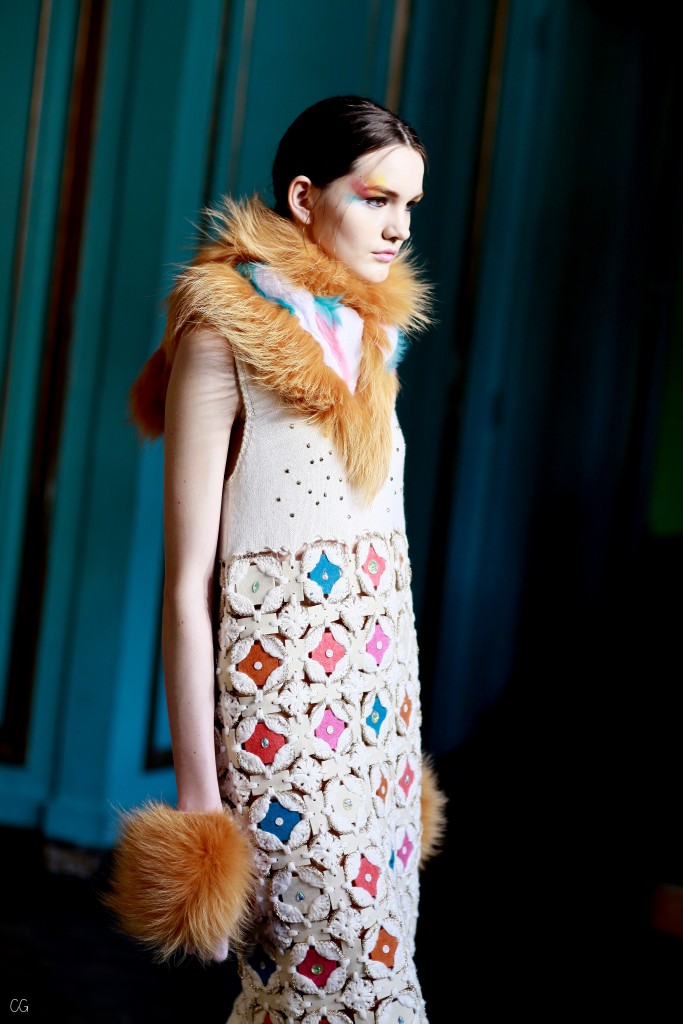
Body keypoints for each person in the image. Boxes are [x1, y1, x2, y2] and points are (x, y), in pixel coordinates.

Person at [106, 95, 446, 1024]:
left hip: (382, 716)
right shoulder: (223, 326)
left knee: (354, 984)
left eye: (409, 206)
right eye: (376, 199)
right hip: (281, 722)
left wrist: (394, 730)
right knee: (340, 990)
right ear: (303, 197)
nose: (398, 227)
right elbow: (186, 587)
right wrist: (200, 808)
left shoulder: (372, 333)